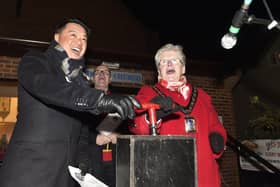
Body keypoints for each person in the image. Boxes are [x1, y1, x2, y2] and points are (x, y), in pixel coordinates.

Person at [0, 18, 140, 187]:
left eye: (83, 39)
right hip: (30, 172)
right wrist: (98, 99)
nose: (79, 42)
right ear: (57, 37)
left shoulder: (79, 82)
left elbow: (80, 132)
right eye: (73, 35)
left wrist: (82, 161)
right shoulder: (36, 61)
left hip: (65, 176)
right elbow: (47, 87)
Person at [129, 43, 227, 187]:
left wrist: (218, 137)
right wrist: (152, 116)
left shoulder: (202, 96)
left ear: (183, 68)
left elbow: (215, 126)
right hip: (169, 172)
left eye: (175, 60)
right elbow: (135, 125)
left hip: (205, 172)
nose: (169, 63)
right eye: (163, 62)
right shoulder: (148, 92)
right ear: (159, 71)